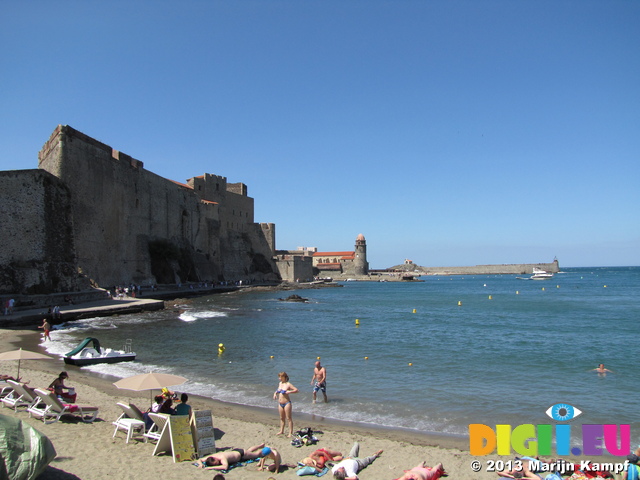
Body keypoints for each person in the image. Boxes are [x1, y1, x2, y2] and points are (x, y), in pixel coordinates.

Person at [197, 443, 269, 471]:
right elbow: (199, 459)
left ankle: (265, 449)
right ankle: (260, 445)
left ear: (214, 459)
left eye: (215, 463)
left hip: (241, 454)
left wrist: (210, 468)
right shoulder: (211, 456)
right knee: (249, 450)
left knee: (257, 455)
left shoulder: (222, 458)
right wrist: (200, 464)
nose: (217, 464)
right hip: (236, 452)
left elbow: (225, 467)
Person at [274, 372, 298, 436]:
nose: (279, 378)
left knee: (288, 418)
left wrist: (289, 392)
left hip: (287, 403)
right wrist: (275, 394)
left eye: (281, 377)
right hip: (280, 403)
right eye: (279, 377)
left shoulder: (288, 384)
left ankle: (290, 432)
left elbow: (296, 390)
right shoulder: (280, 383)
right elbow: (277, 390)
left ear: (284, 377)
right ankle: (281, 431)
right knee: (282, 418)